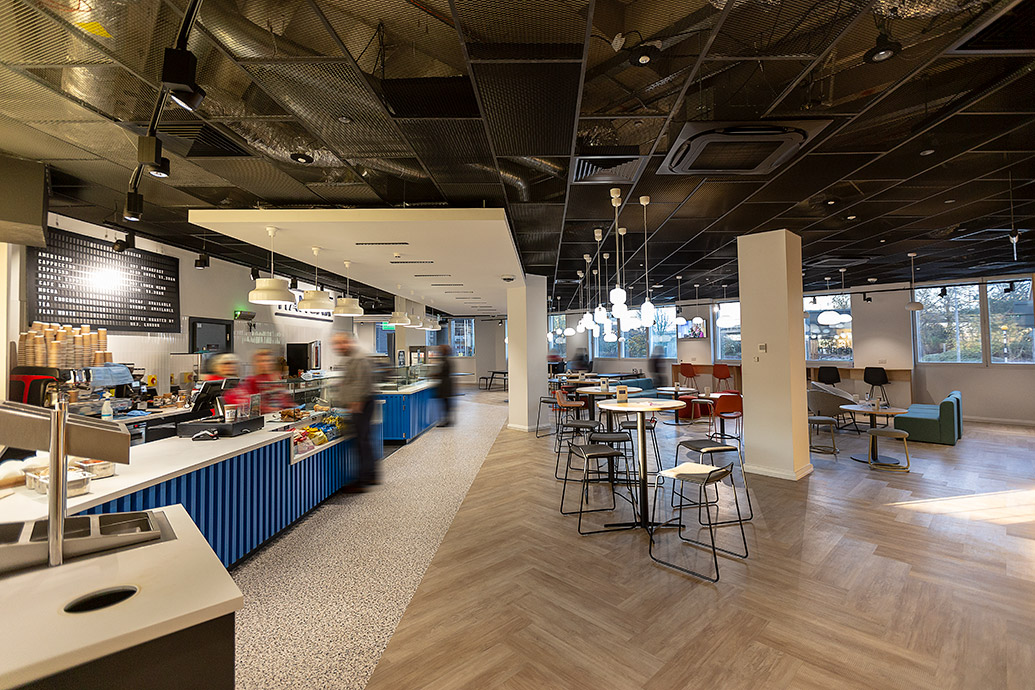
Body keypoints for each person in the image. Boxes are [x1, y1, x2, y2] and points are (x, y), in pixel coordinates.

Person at [332, 333, 376, 490]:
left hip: (361, 404)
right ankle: (370, 475)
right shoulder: (352, 357)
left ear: (347, 343)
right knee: (364, 440)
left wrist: (356, 402)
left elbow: (361, 382)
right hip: (361, 403)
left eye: (340, 343)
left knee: (361, 442)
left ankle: (362, 480)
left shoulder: (357, 358)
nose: (338, 347)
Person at [225, 349, 292, 413]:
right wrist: (271, 409)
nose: (266, 364)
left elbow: (284, 399)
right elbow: (252, 405)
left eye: (268, 361)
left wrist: (289, 407)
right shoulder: (251, 381)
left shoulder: (275, 379)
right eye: (262, 361)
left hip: (278, 415)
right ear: (255, 363)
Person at [432, 344, 454, 426]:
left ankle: (446, 420)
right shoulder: (447, 360)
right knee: (446, 402)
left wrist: (434, 375)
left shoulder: (445, 361)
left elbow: (442, 372)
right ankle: (446, 420)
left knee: (445, 402)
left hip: (445, 385)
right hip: (446, 384)